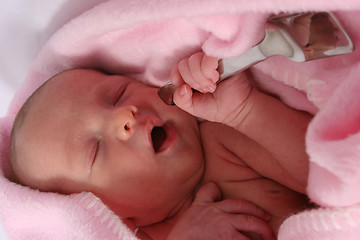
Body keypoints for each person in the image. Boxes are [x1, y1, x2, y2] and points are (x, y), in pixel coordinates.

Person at [9, 51, 313, 240]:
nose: (122, 117)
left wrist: (244, 111)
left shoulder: (221, 139)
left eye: (118, 94)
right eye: (96, 150)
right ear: (109, 215)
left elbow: (320, 171)